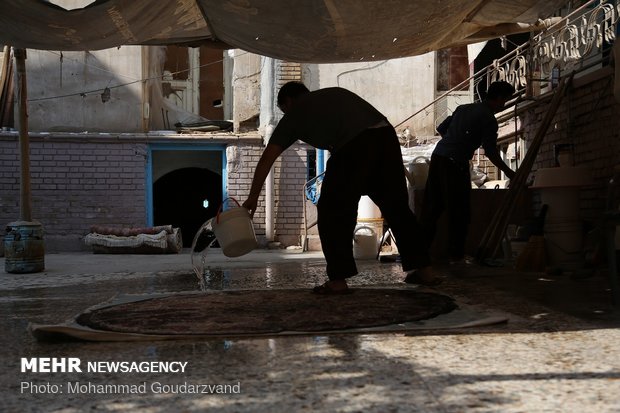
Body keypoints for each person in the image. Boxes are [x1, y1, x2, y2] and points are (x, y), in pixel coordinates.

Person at [242, 81, 440, 294]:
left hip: (353, 145)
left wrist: (253, 197)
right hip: (386, 138)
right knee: (398, 209)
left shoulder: (296, 112)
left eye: (284, 110)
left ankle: (338, 280)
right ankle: (425, 271)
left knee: (332, 211)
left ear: (288, 102)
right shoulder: (334, 93)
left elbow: (267, 159)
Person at [421, 80, 517, 264]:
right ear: (498, 99)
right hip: (455, 163)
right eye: (505, 100)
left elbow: (442, 129)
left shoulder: (463, 108)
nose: (504, 105)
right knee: (459, 211)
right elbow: (490, 152)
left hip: (439, 157)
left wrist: (456, 143)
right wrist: (510, 172)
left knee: (432, 209)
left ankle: (420, 255)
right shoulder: (489, 118)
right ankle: (456, 256)